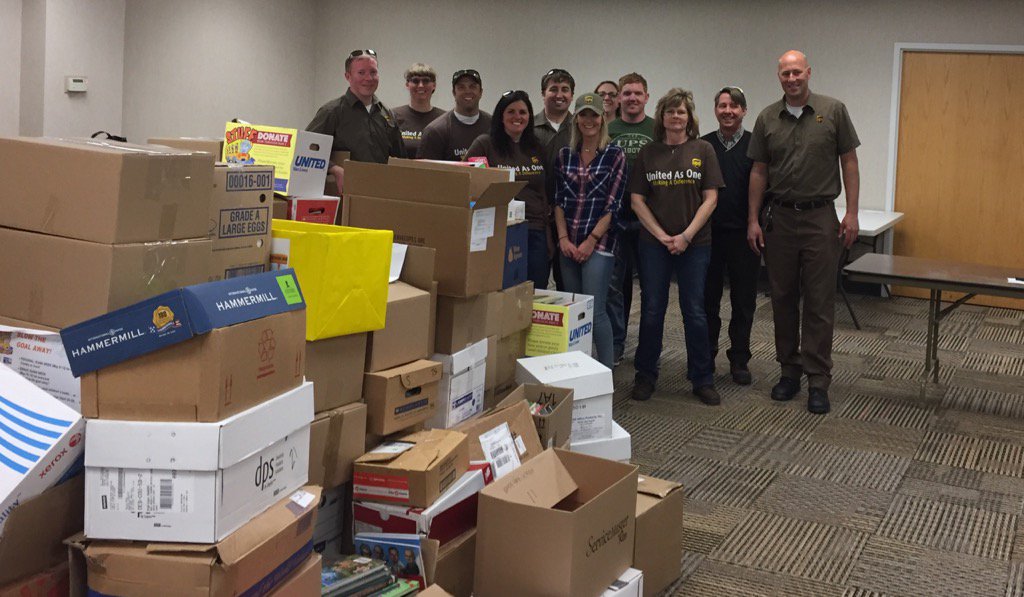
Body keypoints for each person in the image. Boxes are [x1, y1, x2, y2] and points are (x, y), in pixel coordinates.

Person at [747, 50, 860, 415]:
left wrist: (852, 213)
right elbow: (759, 172)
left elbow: (850, 163)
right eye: (785, 73)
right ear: (778, 76)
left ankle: (817, 379)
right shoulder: (767, 117)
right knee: (781, 296)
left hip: (819, 218)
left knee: (818, 300)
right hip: (779, 218)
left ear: (808, 72)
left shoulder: (834, 111)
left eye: (797, 72)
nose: (792, 78)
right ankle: (789, 371)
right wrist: (752, 219)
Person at [629, 88, 723, 405]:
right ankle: (645, 375)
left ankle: (702, 378)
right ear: (662, 117)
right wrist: (661, 235)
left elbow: (711, 198)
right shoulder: (648, 153)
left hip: (695, 244)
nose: (675, 117)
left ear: (689, 117)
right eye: (670, 111)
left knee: (694, 311)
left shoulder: (704, 149)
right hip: (653, 245)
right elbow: (637, 200)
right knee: (652, 310)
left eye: (681, 112)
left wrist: (685, 236)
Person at [553, 93, 627, 368]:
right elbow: (558, 201)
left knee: (595, 311)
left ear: (603, 118)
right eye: (583, 114)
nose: (589, 120)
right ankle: (578, 368)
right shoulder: (564, 155)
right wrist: (563, 238)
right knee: (575, 311)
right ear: (576, 119)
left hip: (600, 243)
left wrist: (591, 241)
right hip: (568, 242)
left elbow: (613, 205)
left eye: (594, 115)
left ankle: (605, 372)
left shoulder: (614, 155)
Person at [701, 86, 758, 386]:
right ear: (715, 110)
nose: (728, 111)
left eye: (734, 106)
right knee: (707, 301)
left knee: (743, 300)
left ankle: (739, 359)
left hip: (743, 235)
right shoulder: (704, 145)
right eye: (722, 105)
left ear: (744, 111)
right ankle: (706, 356)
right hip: (708, 237)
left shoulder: (754, 145)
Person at [466, 91, 550, 289]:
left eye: (523, 112)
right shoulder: (485, 144)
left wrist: (548, 235)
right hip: (500, 230)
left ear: (529, 116)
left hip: (535, 229)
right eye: (511, 111)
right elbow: (468, 182)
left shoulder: (537, 147)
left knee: (536, 289)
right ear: (501, 116)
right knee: (504, 289)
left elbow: (543, 192)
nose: (517, 117)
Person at [307, 49, 404, 195]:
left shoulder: (387, 114)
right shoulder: (332, 112)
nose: (368, 78)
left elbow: (401, 158)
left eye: (373, 72)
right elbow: (306, 150)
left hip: (382, 194)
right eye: (361, 73)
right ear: (348, 76)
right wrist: (335, 169)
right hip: (345, 195)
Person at [607, 73, 656, 365]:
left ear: (647, 97)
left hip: (649, 216)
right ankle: (616, 343)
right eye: (627, 93)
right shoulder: (607, 128)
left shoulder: (657, 129)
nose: (632, 98)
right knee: (615, 285)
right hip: (614, 216)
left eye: (638, 93)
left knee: (651, 285)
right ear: (618, 98)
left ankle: (649, 351)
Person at [418, 69, 492, 161]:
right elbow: (425, 172)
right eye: (461, 87)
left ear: (481, 92)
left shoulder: (493, 126)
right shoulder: (436, 131)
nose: (467, 91)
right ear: (454, 92)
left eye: (472, 86)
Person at [392, 63, 445, 157]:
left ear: (434, 85)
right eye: (415, 81)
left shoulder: (444, 119)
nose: (420, 85)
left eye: (426, 81)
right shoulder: (393, 116)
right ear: (407, 85)